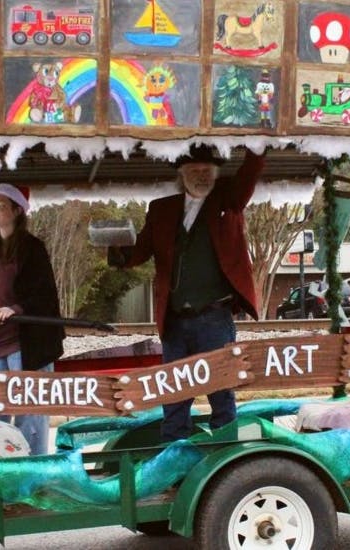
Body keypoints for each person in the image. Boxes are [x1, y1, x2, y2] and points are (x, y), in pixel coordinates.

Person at [109, 144, 266, 441]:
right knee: (174, 395)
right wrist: (116, 250)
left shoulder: (228, 199)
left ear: (216, 174)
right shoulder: (162, 209)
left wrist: (257, 144)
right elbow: (140, 252)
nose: (201, 176)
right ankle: (174, 460)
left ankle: (224, 455)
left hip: (214, 317)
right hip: (175, 321)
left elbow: (249, 174)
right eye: (194, 171)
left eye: (207, 171)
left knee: (221, 391)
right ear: (182, 174)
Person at [0, 183, 65, 456]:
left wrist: (16, 309)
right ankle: (0, 471)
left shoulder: (32, 248)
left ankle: (34, 472)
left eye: (0, 206)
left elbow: (44, 294)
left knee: (30, 410)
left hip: (27, 345)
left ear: (17, 210)